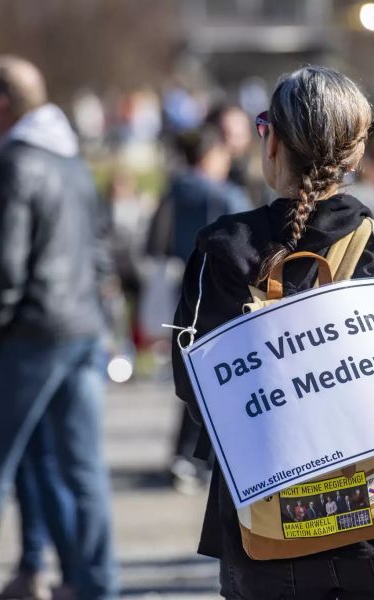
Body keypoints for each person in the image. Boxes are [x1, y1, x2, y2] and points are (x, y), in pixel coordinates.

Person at [171, 65, 374, 599]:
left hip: (270, 539)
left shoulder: (223, 250)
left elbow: (199, 391)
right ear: (357, 151)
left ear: (271, 139)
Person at [0, 55, 117, 599]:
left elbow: (1, 267)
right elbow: (100, 250)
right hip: (80, 328)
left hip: (31, 335)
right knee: (83, 470)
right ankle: (96, 584)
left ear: (1, 103)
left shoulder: (12, 164)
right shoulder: (71, 159)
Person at [167, 123, 252, 493]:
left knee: (189, 375)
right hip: (220, 294)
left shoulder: (175, 191)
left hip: (184, 289)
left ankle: (183, 455)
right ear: (208, 156)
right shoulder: (226, 197)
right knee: (221, 378)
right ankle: (205, 460)